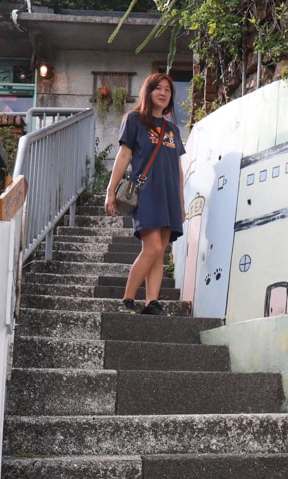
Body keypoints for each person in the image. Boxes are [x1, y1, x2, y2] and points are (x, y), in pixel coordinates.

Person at [104, 73, 186, 314]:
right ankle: (127, 300)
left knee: (161, 249)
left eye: (168, 90)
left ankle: (152, 302)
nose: (163, 93)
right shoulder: (134, 120)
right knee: (153, 248)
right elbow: (124, 156)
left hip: (169, 194)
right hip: (147, 191)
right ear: (148, 92)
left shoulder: (172, 129)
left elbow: (178, 169)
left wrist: (181, 202)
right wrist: (111, 191)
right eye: (158, 88)